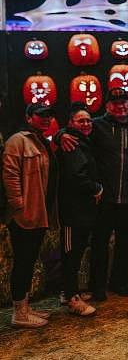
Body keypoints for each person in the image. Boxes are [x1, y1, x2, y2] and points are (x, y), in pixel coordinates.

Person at [61, 88, 128, 301]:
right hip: (104, 197)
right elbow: (73, 133)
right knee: (100, 243)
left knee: (124, 242)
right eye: (115, 102)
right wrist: (59, 134)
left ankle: (119, 281)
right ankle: (97, 286)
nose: (120, 106)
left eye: (124, 102)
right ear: (107, 105)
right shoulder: (97, 125)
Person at [2, 103, 59, 328]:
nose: (46, 119)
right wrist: (18, 205)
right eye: (40, 115)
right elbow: (10, 173)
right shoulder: (18, 141)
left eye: (49, 116)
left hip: (39, 212)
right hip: (25, 215)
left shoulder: (42, 141)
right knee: (23, 262)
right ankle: (19, 313)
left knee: (30, 259)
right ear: (28, 117)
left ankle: (25, 307)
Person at [57, 103, 101, 316]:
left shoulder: (83, 141)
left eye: (88, 120)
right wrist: (96, 188)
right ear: (70, 123)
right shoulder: (71, 143)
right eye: (80, 120)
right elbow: (76, 176)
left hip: (83, 209)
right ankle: (72, 298)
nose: (86, 124)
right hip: (72, 210)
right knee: (71, 254)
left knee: (77, 251)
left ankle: (69, 292)